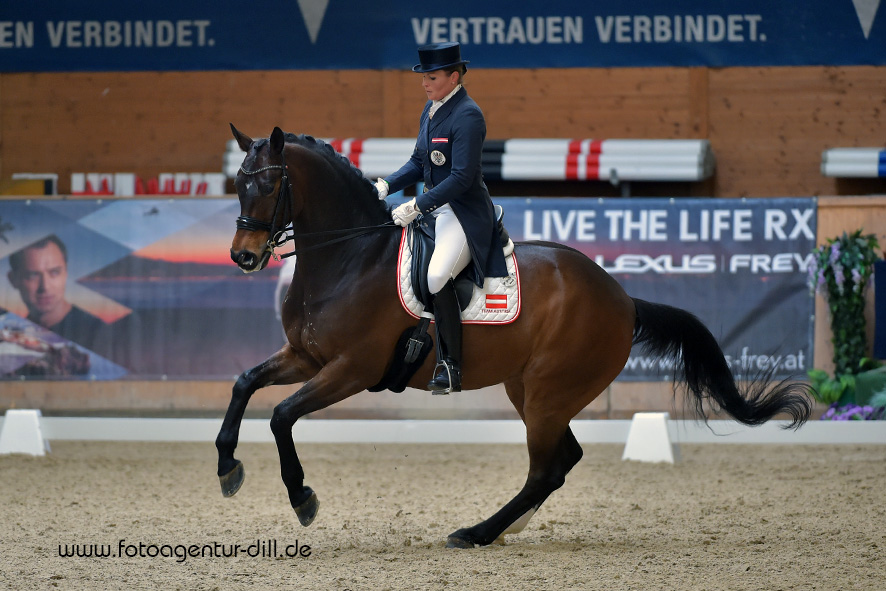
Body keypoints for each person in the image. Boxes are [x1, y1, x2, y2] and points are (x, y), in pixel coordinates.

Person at [376, 42, 508, 394]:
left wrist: (418, 205)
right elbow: (420, 162)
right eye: (423, 77)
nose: (424, 83)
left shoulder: (468, 115)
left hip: (462, 214)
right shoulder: (431, 109)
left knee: (436, 276)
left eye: (431, 77)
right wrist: (386, 185)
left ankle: (450, 366)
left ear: (453, 77)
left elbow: (462, 177)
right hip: (436, 209)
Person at [7, 235, 105, 348]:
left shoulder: (97, 332)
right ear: (13, 279)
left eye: (54, 272)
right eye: (32, 275)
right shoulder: (11, 335)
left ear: (66, 272)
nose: (45, 287)